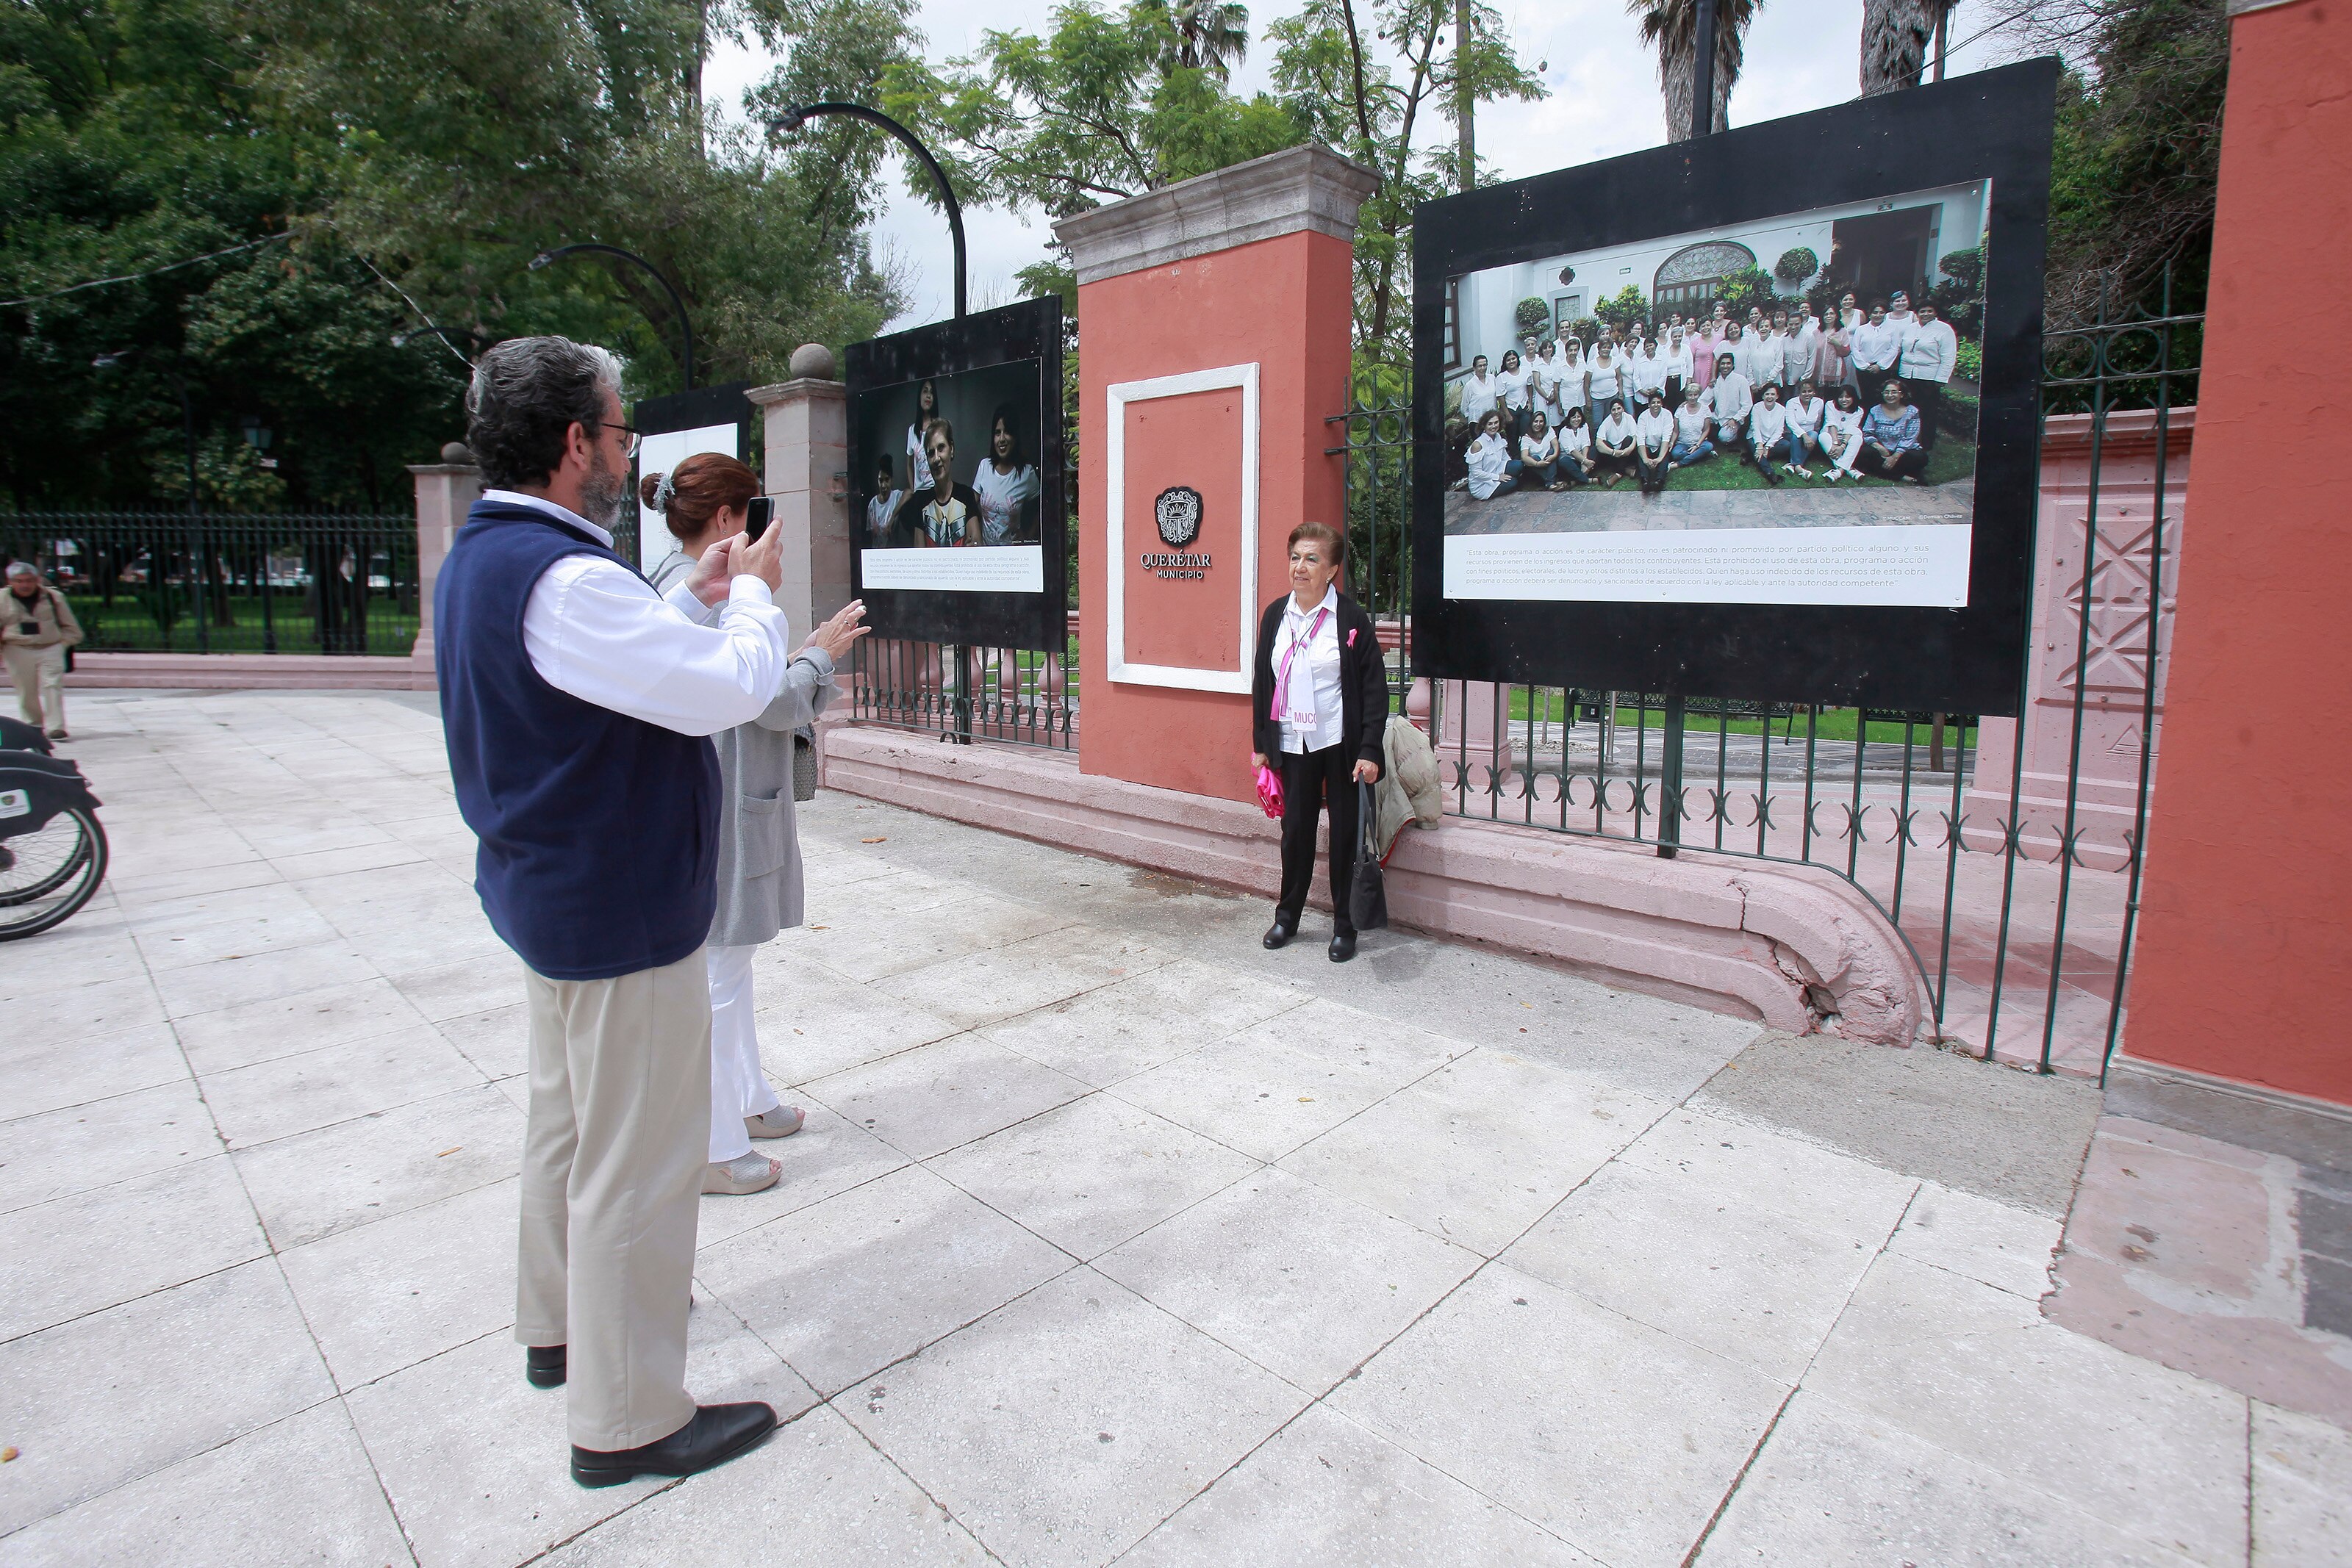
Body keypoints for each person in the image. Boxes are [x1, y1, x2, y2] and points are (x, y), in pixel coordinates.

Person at [435, 336, 789, 1486]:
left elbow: (614, 654)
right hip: (621, 910)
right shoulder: (565, 576)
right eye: (622, 429)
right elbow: (725, 692)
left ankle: (558, 1331)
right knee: (636, 1160)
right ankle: (628, 1415)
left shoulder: (487, 555)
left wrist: (696, 591)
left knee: (565, 1128)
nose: (629, 449)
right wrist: (757, 607)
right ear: (575, 441)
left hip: (554, 901)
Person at [643, 454, 870, 1196]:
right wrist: (817, 654)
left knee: (729, 969)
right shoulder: (702, 599)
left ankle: (747, 1100)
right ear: (727, 520)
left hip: (723, 799)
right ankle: (709, 1143)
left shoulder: (671, 588)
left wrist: (798, 650)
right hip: (718, 803)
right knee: (715, 974)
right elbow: (768, 701)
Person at [1251, 522, 1388, 963]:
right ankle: (1288, 916)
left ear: (1332, 569)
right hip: (1293, 741)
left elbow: (1373, 689)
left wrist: (1369, 750)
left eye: (1312, 559)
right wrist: (1262, 743)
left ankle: (1344, 926)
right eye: (1295, 557)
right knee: (1296, 833)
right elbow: (1263, 683)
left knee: (1345, 835)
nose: (1300, 567)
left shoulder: (1350, 619)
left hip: (1338, 744)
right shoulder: (1275, 614)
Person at [3, 561, 82, 739]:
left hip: (50, 647)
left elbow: (72, 628)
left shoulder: (54, 597)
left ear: (37, 580)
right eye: (19, 580)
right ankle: (33, 725)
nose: (25, 585)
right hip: (17, 648)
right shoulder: (2, 600)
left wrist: (61, 645)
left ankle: (56, 727)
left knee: (52, 685)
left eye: (30, 580)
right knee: (26, 689)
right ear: (10, 581)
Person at [888, 419, 983, 545]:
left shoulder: (966, 495)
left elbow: (976, 546)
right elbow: (920, 556)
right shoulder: (921, 501)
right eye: (931, 453)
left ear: (952, 449)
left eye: (941, 448)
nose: (936, 459)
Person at [972, 404, 1042, 543]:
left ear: (1015, 436)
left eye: (1007, 432)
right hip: (986, 555)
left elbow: (1043, 508)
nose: (1002, 439)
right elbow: (970, 508)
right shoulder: (984, 466)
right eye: (997, 433)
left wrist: (1028, 535)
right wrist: (976, 538)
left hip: (1012, 557)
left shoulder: (1026, 473)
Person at [1899, 301, 1959, 452]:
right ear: (1917, 313)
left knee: (1927, 412)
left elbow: (1949, 356)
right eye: (1922, 311)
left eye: (1929, 311)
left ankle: (1926, 443)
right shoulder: (1911, 328)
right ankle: (1906, 440)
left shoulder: (1944, 330)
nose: (1925, 314)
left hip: (1928, 378)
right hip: (1907, 375)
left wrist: (1941, 379)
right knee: (1907, 409)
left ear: (1935, 313)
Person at [1856, 379, 1932, 482]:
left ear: (1902, 395)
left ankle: (1882, 471)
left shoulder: (1912, 412)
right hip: (1881, 451)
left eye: (1894, 392)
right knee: (1864, 453)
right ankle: (1901, 476)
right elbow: (1867, 433)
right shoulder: (1875, 410)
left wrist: (1895, 456)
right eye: (1886, 392)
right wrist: (1880, 448)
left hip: (1903, 452)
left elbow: (1910, 438)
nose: (1890, 395)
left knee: (1920, 457)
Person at [1850, 303, 1901, 400]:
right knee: (1865, 395)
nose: (1878, 315)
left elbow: (1894, 349)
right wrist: (1865, 366)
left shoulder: (1893, 329)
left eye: (1881, 312)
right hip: (1864, 369)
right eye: (1875, 312)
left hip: (1882, 369)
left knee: (1881, 396)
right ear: (1870, 314)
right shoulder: (1861, 329)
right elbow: (1855, 349)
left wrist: (1880, 365)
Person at [1460, 409, 1513, 498]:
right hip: (1482, 485)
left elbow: (1505, 457)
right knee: (1513, 482)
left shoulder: (1498, 437)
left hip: (1496, 469)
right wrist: (1498, 477)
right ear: (1484, 426)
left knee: (1518, 465)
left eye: (1496, 423)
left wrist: (1511, 468)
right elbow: (1476, 473)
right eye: (1490, 424)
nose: (1494, 426)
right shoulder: (1478, 445)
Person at [1747, 383, 1791, 485]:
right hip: (1756, 438)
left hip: (1772, 441)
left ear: (1777, 396)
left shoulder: (1781, 409)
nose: (1770, 397)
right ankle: (1770, 473)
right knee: (1752, 446)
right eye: (1767, 394)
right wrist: (1759, 446)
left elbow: (1779, 431)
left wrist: (1767, 447)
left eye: (1772, 394)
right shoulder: (1757, 407)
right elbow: (1755, 428)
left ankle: (1754, 456)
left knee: (1786, 445)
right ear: (1763, 396)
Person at [1704, 353, 1753, 447]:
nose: (1725, 366)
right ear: (1719, 366)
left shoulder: (1741, 381)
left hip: (1733, 419)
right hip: (1717, 417)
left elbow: (1747, 405)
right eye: (1722, 364)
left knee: (1724, 437)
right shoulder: (1716, 381)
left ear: (1733, 365)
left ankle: (1735, 434)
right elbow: (1703, 401)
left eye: (1728, 363)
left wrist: (1734, 419)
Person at [1818, 386, 1867, 481]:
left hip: (1847, 437)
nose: (1844, 400)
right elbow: (1831, 423)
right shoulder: (1830, 404)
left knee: (1858, 438)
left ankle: (1838, 472)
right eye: (1841, 397)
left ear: (1853, 398)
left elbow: (1851, 428)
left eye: (1848, 397)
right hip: (1832, 436)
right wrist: (1835, 443)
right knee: (1823, 436)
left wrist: (1842, 446)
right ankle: (1850, 470)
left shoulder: (1859, 410)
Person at [1634, 391, 1677, 495]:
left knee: (1665, 455)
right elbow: (1640, 439)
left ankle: (1659, 481)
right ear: (1649, 405)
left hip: (1661, 446)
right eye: (1653, 403)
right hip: (1647, 446)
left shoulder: (1667, 415)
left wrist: (1660, 459)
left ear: (1662, 404)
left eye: (1658, 402)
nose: (1656, 405)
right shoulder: (1643, 416)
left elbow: (1666, 438)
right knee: (1641, 456)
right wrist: (1645, 459)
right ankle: (1645, 481)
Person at [1784, 378, 1826, 478]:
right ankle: (1798, 467)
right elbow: (1790, 422)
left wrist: (1811, 435)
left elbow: (1818, 421)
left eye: (1810, 391)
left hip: (1810, 432)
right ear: (1799, 393)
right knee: (1796, 436)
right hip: (1791, 432)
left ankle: (1794, 465)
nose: (1807, 394)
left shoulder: (1819, 402)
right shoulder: (1791, 403)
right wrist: (1804, 435)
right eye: (1803, 392)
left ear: (1814, 392)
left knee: (1814, 435)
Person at [1593, 398, 1639, 486]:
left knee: (1628, 440)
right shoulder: (1607, 421)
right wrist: (1613, 452)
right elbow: (1598, 443)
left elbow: (1635, 437)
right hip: (1613, 454)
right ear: (1610, 411)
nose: (1616, 412)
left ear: (1623, 409)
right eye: (1613, 410)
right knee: (1605, 445)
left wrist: (1629, 449)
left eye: (1619, 409)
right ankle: (1625, 470)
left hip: (1626, 452)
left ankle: (1618, 474)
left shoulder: (1629, 418)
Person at [1585, 339, 1627, 431]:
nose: (1606, 350)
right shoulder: (1592, 364)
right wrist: (1588, 399)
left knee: (1611, 421)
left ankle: (1610, 443)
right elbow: (1586, 383)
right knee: (1597, 423)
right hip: (1597, 398)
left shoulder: (1615, 361)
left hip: (1612, 396)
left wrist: (1620, 393)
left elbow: (1619, 377)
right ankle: (1598, 443)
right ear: (1599, 349)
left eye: (1608, 348)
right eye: (1604, 347)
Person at [1670, 387, 1715, 468]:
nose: (1693, 397)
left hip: (1699, 442)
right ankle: (1702, 455)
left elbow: (1706, 430)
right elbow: (1675, 431)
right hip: (1683, 443)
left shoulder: (1705, 409)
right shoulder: (1680, 409)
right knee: (1676, 454)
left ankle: (1678, 464)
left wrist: (1697, 446)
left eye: (1695, 395)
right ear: (1686, 396)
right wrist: (1671, 443)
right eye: (1690, 395)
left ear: (1699, 395)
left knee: (1709, 446)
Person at [864, 455, 903, 545]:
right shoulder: (873, 504)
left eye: (887, 480)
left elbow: (909, 493)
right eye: (880, 481)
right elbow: (870, 536)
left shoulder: (896, 496)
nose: (883, 485)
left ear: (891, 481)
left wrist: (893, 517)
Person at [1519, 410, 1562, 490]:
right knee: (1535, 457)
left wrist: (1554, 455)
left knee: (1552, 452)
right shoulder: (1526, 437)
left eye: (1541, 421)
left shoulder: (1549, 430)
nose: (1538, 424)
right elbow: (1524, 457)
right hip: (1535, 466)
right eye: (1536, 421)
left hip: (1549, 462)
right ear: (1531, 423)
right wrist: (1537, 463)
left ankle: (1550, 483)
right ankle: (1552, 482)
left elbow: (1555, 444)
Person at [1529, 339, 1566, 431]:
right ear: (1542, 350)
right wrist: (1547, 397)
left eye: (1550, 347)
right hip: (1542, 396)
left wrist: (1554, 396)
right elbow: (1537, 386)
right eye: (1545, 348)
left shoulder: (1558, 361)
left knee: (1556, 422)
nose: (1548, 350)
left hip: (1556, 394)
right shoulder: (1537, 363)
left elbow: (1560, 379)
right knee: (1542, 423)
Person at [906, 378, 940, 472]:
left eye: (931, 392)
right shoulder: (912, 430)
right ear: (919, 396)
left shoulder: (938, 427)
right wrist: (913, 487)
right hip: (919, 487)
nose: (928, 396)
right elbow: (909, 465)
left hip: (935, 486)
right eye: (925, 391)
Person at [1555, 406, 1596, 485]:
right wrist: (1585, 462)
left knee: (1594, 449)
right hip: (1570, 460)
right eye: (1574, 417)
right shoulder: (1564, 431)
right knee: (1564, 461)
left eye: (1579, 417)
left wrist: (1584, 462)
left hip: (1582, 459)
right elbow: (1572, 451)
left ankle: (1577, 478)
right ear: (1569, 419)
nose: (1577, 420)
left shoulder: (1584, 426)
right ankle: (1587, 480)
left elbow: (1585, 444)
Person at [1496, 349, 1530, 443]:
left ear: (1517, 359)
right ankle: (1515, 456)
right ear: (1505, 362)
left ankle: (1525, 454)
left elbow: (1529, 386)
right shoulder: (1502, 377)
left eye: (1513, 359)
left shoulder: (1525, 371)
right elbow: (1500, 397)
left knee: (1526, 434)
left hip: (1524, 408)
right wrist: (1507, 414)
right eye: (1508, 360)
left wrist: (1530, 402)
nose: (1511, 361)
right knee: (1512, 436)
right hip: (1511, 410)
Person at [1458, 354, 1498, 430]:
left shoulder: (1492, 378)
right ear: (1474, 368)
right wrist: (1471, 417)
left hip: (1492, 421)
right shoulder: (1470, 385)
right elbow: (1464, 407)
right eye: (1480, 366)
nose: (1483, 368)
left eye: (1485, 365)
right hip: (1477, 423)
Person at [1660, 324, 1693, 413]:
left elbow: (1690, 367)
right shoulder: (1665, 351)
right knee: (1670, 407)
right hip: (1668, 382)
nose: (1677, 339)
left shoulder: (1686, 349)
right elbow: (1662, 369)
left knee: (1681, 406)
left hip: (1681, 382)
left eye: (1680, 336)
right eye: (1675, 337)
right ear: (1671, 337)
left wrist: (1688, 383)